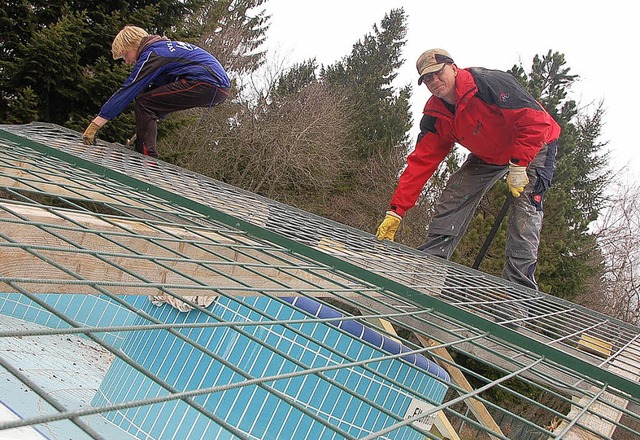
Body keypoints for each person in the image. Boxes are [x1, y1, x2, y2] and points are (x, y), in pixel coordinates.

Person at [376, 49, 560, 291]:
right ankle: (430, 267)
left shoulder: (489, 84)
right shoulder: (437, 115)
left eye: (437, 73)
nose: (434, 81)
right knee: (455, 193)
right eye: (427, 79)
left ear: (453, 68)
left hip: (534, 146)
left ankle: (517, 293)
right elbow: (420, 163)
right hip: (488, 155)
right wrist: (397, 210)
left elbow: (536, 122)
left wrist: (519, 164)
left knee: (525, 213)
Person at [82, 25, 231, 158]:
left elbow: (128, 90)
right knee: (148, 100)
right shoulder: (163, 49)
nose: (127, 61)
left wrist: (95, 125)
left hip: (207, 82)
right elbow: (163, 93)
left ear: (134, 45)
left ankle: (147, 159)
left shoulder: (154, 54)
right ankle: (142, 150)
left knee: (144, 103)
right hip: (217, 87)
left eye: (125, 55)